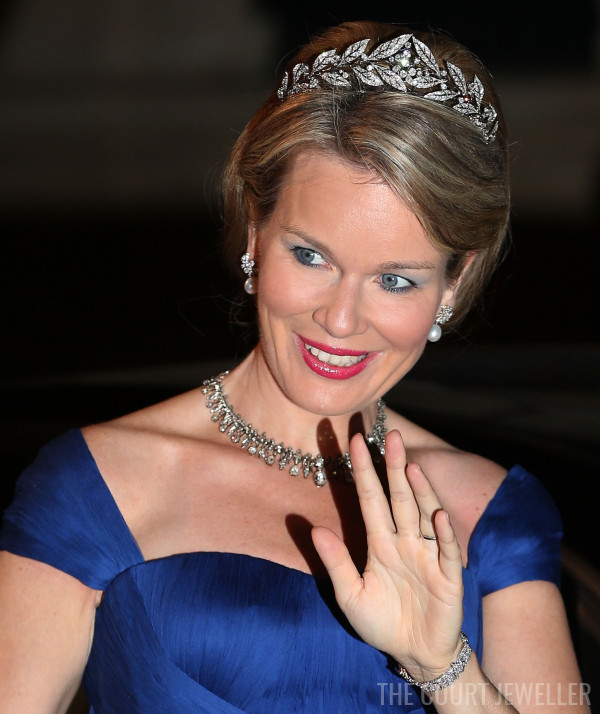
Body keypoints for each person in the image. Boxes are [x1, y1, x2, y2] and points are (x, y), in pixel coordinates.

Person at [0, 20, 589, 714]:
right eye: (311, 256)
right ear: (255, 230)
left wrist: (443, 667)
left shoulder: (490, 514)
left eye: (395, 279)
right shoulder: (99, 489)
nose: (340, 320)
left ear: (452, 287)